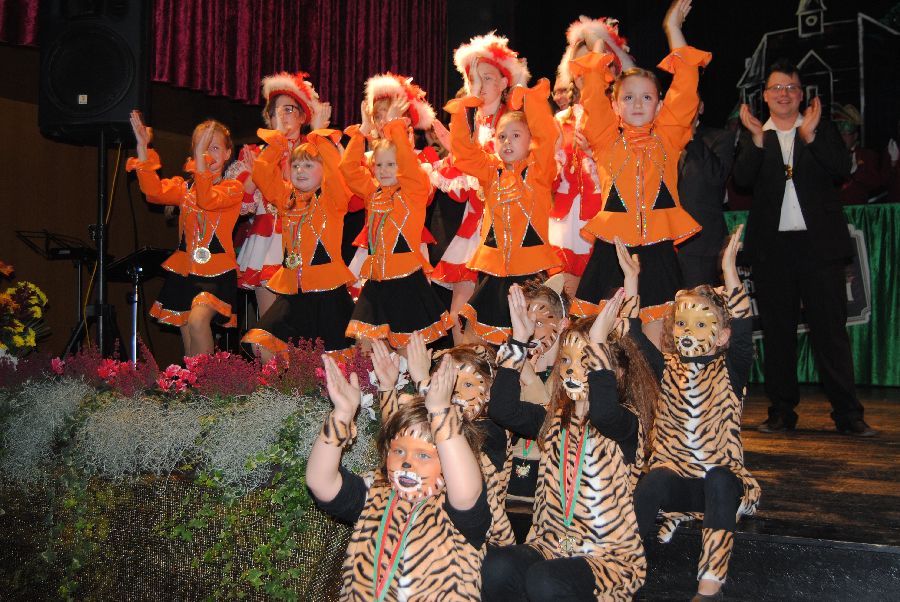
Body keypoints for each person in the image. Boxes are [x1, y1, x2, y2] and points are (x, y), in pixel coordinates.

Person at [480, 286, 657, 601]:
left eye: (586, 360)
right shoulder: (552, 420)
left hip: (605, 555)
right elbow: (502, 410)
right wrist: (519, 341)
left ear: (616, 373)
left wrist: (598, 340)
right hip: (554, 546)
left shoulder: (626, 424)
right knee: (496, 566)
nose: (573, 369)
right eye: (567, 360)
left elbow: (603, 413)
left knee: (545, 580)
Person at [735, 60, 875, 436]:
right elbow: (742, 179)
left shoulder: (820, 128)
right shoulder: (756, 134)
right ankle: (781, 412)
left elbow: (841, 169)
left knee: (830, 332)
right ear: (765, 96)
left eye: (791, 88)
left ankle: (848, 414)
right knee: (778, 333)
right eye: (776, 88)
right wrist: (757, 140)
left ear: (801, 95)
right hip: (773, 251)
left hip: (820, 249)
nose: (784, 94)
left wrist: (811, 136)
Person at [628, 228, 760, 601]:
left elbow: (744, 330)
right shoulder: (666, 368)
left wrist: (729, 269)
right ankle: (619, 562)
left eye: (701, 325)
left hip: (721, 488)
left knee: (719, 478)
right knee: (654, 479)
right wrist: (632, 281)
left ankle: (709, 586)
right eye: (683, 324)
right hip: (682, 486)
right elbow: (634, 335)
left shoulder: (731, 369)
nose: (688, 332)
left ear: (721, 336)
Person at [569, 0, 707, 349]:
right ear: (615, 106)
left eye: (647, 97)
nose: (638, 103)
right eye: (628, 98)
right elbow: (592, 91)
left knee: (657, 342)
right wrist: (599, 45)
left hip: (658, 252)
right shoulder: (605, 139)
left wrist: (672, 29)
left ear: (660, 106)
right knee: (604, 342)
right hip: (611, 251)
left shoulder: (668, 138)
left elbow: (686, 83)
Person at [307, 354, 490, 601]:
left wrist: (440, 411)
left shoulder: (457, 509)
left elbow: (467, 492)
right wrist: (341, 415)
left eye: (423, 455)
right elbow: (320, 482)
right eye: (399, 451)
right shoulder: (374, 493)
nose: (407, 462)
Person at [432, 33, 532, 343]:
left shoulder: (514, 121)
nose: (480, 85)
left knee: (501, 305)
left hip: (505, 225)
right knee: (460, 307)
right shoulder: (471, 122)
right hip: (472, 225)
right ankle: (461, 360)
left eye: (488, 78)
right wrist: (456, 151)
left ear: (504, 83)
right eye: (475, 79)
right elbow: (460, 188)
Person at [372, 334, 517, 547]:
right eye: (449, 383)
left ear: (488, 392)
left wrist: (423, 382)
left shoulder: (492, 430)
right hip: (421, 528)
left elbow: (455, 446)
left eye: (468, 384)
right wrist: (387, 386)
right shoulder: (435, 421)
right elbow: (397, 443)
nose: (455, 392)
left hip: (468, 541)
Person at [446, 78, 561, 344]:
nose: (507, 142)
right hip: (494, 272)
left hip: (531, 272)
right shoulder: (490, 172)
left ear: (531, 140)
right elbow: (464, 154)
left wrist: (530, 100)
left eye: (516, 135)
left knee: (532, 342)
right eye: (501, 136)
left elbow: (547, 136)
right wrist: (462, 112)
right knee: (479, 339)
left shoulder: (539, 172)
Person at [127, 112, 242, 357]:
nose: (208, 154)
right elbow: (153, 192)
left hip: (217, 270)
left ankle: (206, 380)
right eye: (202, 148)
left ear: (227, 153)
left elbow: (207, 200)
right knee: (189, 336)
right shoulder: (184, 188)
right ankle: (195, 381)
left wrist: (200, 161)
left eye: (214, 147)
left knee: (198, 321)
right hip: (185, 269)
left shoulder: (232, 188)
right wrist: (143, 147)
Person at [339, 98, 452, 349]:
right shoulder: (372, 192)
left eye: (391, 164)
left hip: (406, 281)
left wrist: (397, 128)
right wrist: (361, 133)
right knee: (364, 344)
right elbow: (348, 169)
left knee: (405, 348)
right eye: (379, 165)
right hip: (376, 281)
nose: (383, 170)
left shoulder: (414, 192)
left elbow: (410, 168)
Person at [240, 128, 355, 362]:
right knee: (262, 344)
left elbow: (337, 171)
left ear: (324, 170)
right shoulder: (286, 198)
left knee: (333, 361)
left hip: (328, 294)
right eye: (295, 165)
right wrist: (277, 146)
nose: (300, 170)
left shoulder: (333, 200)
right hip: (293, 293)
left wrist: (320, 142)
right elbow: (262, 173)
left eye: (308, 165)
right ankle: (288, 387)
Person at [230, 72, 330, 317]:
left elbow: (331, 194)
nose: (281, 116)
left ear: (303, 116)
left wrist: (319, 138)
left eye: (288, 109)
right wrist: (258, 171)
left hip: (306, 239)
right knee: (269, 324)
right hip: (267, 241)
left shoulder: (317, 151)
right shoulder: (256, 153)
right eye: (275, 112)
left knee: (305, 324)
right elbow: (241, 206)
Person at [552, 15, 634, 297]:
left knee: (605, 298)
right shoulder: (560, 120)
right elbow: (548, 179)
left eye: (593, 60)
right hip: (566, 222)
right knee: (565, 301)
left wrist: (595, 154)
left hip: (606, 216)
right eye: (579, 63)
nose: (584, 70)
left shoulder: (620, 115)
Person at [677, 98, 735, 288]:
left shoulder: (719, 138)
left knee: (700, 303)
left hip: (700, 243)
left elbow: (717, 177)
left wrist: (691, 137)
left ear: (701, 106)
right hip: (662, 243)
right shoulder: (660, 139)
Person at [833, 103, 883, 204]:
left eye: (846, 134)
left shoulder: (867, 155)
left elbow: (876, 183)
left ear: (855, 136)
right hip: (835, 210)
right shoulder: (830, 155)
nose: (842, 137)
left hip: (857, 210)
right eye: (840, 133)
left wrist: (857, 173)